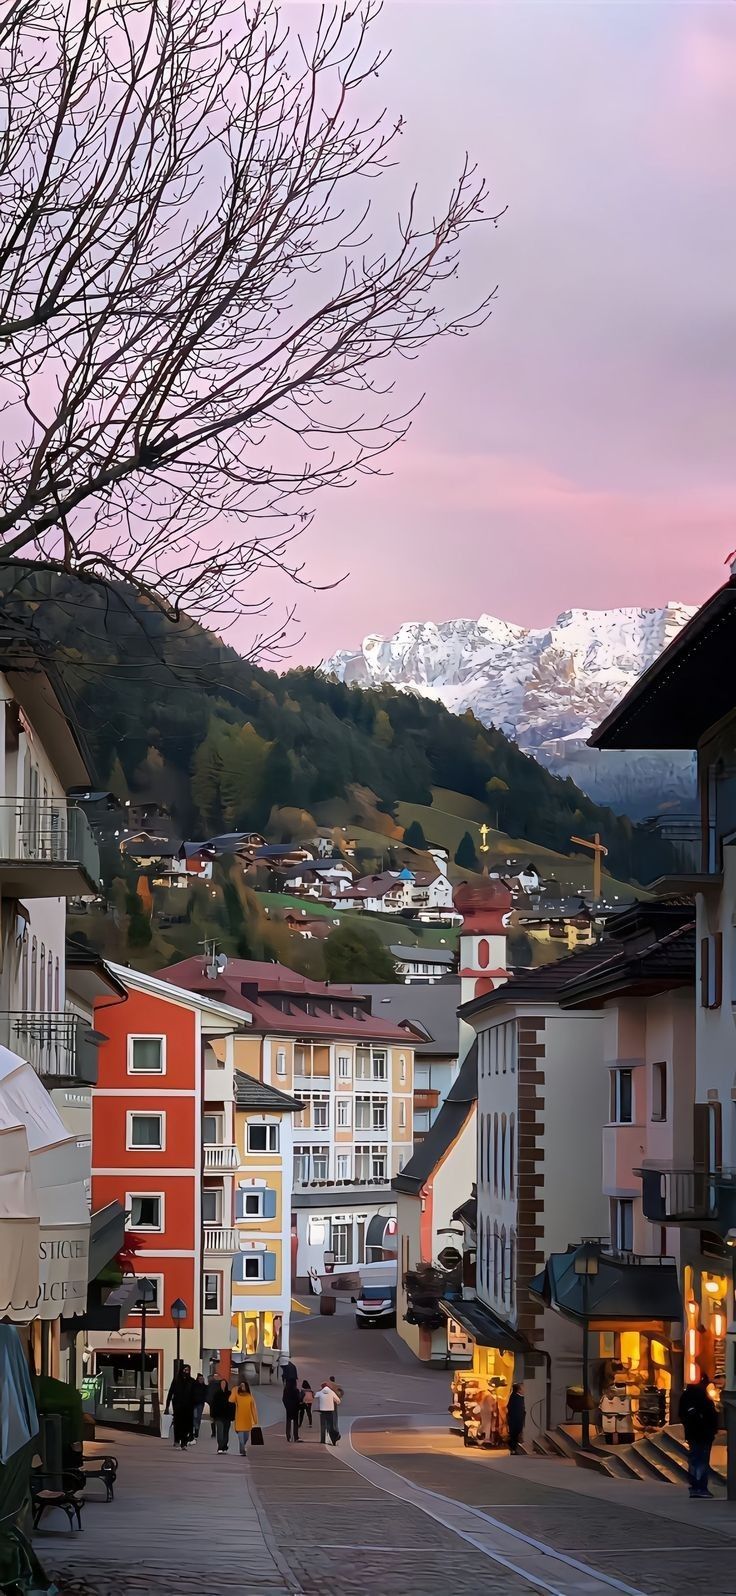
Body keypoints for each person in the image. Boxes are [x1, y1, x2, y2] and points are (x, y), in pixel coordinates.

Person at [679, 1372, 719, 1498]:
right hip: (703, 1433)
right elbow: (709, 1415)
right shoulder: (702, 1397)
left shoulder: (686, 1396)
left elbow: (683, 1414)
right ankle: (700, 1487)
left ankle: (695, 1486)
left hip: (692, 1433)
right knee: (701, 1460)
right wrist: (710, 1428)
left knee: (695, 1459)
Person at [165, 1364, 197, 1450]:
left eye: (188, 1370)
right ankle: (177, 1440)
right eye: (185, 1370)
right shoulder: (176, 1381)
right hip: (178, 1407)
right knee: (178, 1424)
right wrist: (167, 1405)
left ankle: (184, 1442)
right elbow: (171, 1393)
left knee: (187, 1425)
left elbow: (194, 1394)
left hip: (188, 1407)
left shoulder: (192, 1381)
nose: (186, 1372)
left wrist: (194, 1404)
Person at [231, 1379, 259, 1457]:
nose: (242, 1387)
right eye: (241, 1385)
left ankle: (242, 1447)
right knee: (241, 1438)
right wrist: (234, 1390)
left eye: (244, 1385)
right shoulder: (237, 1395)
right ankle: (242, 1450)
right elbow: (231, 1400)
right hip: (239, 1420)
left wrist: (255, 1419)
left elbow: (253, 1408)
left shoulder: (250, 1397)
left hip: (247, 1420)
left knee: (246, 1437)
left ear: (246, 1387)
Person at [210, 1378, 235, 1454]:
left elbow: (233, 1405)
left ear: (226, 1385)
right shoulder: (216, 1394)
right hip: (219, 1416)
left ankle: (224, 1445)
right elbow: (213, 1405)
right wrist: (213, 1415)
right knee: (220, 1432)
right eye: (221, 1384)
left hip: (227, 1416)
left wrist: (232, 1416)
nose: (223, 1385)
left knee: (225, 1432)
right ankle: (220, 1446)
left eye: (224, 1384)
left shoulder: (229, 1394)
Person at [314, 1380, 340, 1445]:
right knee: (330, 1425)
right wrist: (333, 1400)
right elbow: (338, 1401)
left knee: (324, 1425)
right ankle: (335, 1436)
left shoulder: (320, 1392)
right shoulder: (331, 1392)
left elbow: (314, 1396)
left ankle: (323, 1439)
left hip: (322, 1411)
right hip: (330, 1411)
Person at [507, 1383, 525, 1455]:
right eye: (523, 1388)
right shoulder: (514, 1397)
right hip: (514, 1419)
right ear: (519, 1389)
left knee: (516, 1433)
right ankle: (513, 1449)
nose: (525, 1389)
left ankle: (514, 1448)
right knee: (514, 1434)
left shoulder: (520, 1397)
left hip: (518, 1419)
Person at [283, 1376, 302, 1442]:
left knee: (288, 1422)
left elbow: (283, 1399)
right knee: (295, 1422)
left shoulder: (285, 1390)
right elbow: (299, 1399)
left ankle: (288, 1436)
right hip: (295, 1408)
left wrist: (286, 1406)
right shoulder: (296, 1390)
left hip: (288, 1408)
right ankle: (295, 1436)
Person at [191, 1373, 207, 1443]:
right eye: (200, 1379)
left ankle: (197, 1430)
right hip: (194, 1403)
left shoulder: (205, 1387)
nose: (201, 1380)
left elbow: (207, 1394)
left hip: (200, 1403)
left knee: (198, 1417)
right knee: (194, 1417)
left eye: (202, 1379)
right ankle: (195, 1428)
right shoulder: (194, 1386)